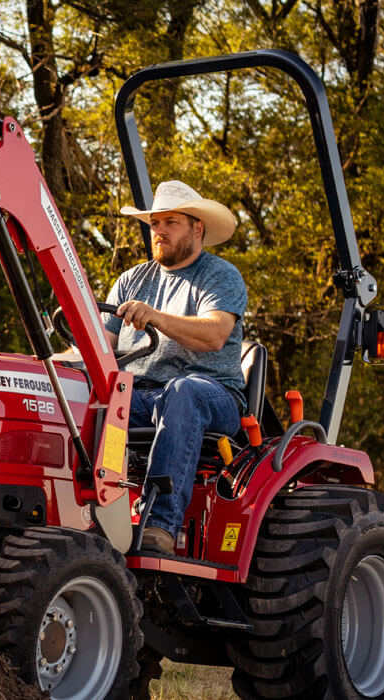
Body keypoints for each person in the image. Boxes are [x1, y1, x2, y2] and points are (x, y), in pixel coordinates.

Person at [108, 180, 247, 555]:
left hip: (212, 394)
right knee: (81, 394)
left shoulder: (219, 276)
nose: (159, 231)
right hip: (139, 396)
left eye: (170, 222)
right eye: (155, 223)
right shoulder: (130, 280)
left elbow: (215, 334)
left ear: (196, 228)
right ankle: (89, 512)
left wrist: (154, 317)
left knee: (183, 390)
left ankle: (160, 525)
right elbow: (101, 349)